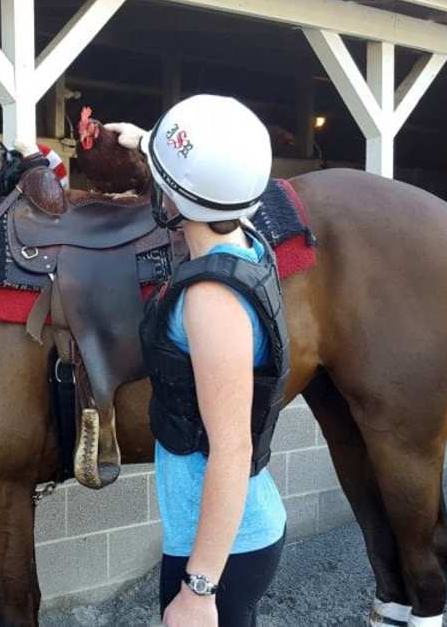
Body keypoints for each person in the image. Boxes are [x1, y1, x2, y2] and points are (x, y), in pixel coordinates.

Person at [109, 95, 289, 627]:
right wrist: (148, 144)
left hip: (220, 551)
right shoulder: (244, 239)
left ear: (179, 198)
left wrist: (199, 587)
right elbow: (207, 185)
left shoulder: (212, 301)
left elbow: (231, 451)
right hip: (228, 535)